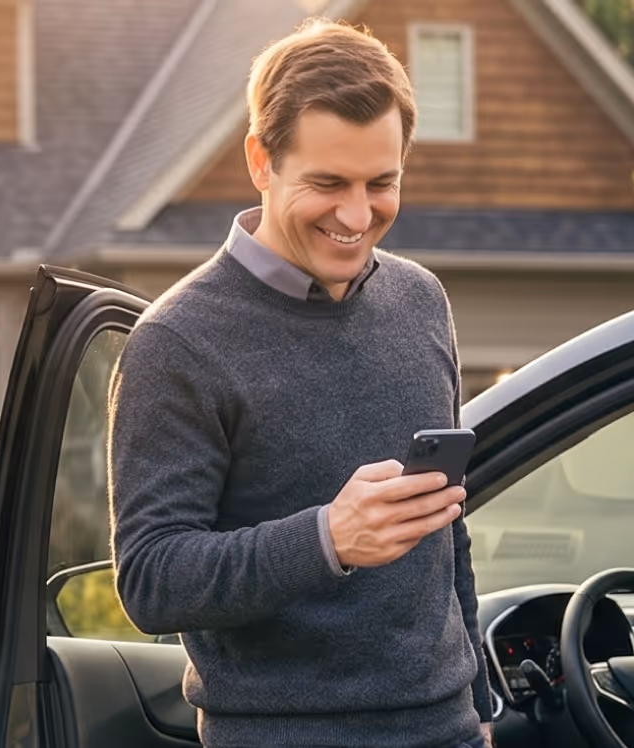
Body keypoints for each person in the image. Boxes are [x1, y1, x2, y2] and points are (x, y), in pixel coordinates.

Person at [106, 18, 495, 748]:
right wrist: (329, 539)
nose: (357, 214)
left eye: (383, 183)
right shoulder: (177, 342)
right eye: (327, 184)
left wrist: (480, 707)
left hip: (446, 732)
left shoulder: (421, 301)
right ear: (261, 159)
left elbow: (447, 530)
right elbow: (153, 579)